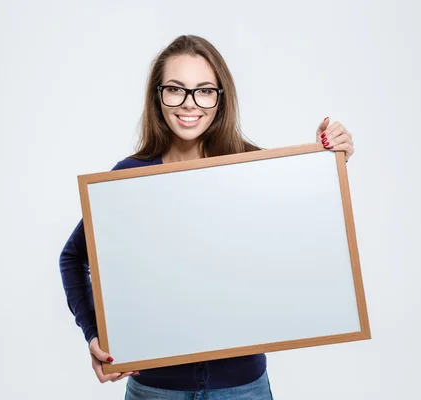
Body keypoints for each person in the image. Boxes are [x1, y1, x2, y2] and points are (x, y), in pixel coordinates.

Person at [59, 34, 355, 400]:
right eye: (175, 89)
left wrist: (325, 161)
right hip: (156, 389)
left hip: (243, 387)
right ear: (158, 96)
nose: (189, 104)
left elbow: (303, 241)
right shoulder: (127, 179)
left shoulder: (255, 170)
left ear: (220, 98)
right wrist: (95, 334)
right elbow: (73, 257)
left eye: (204, 90)